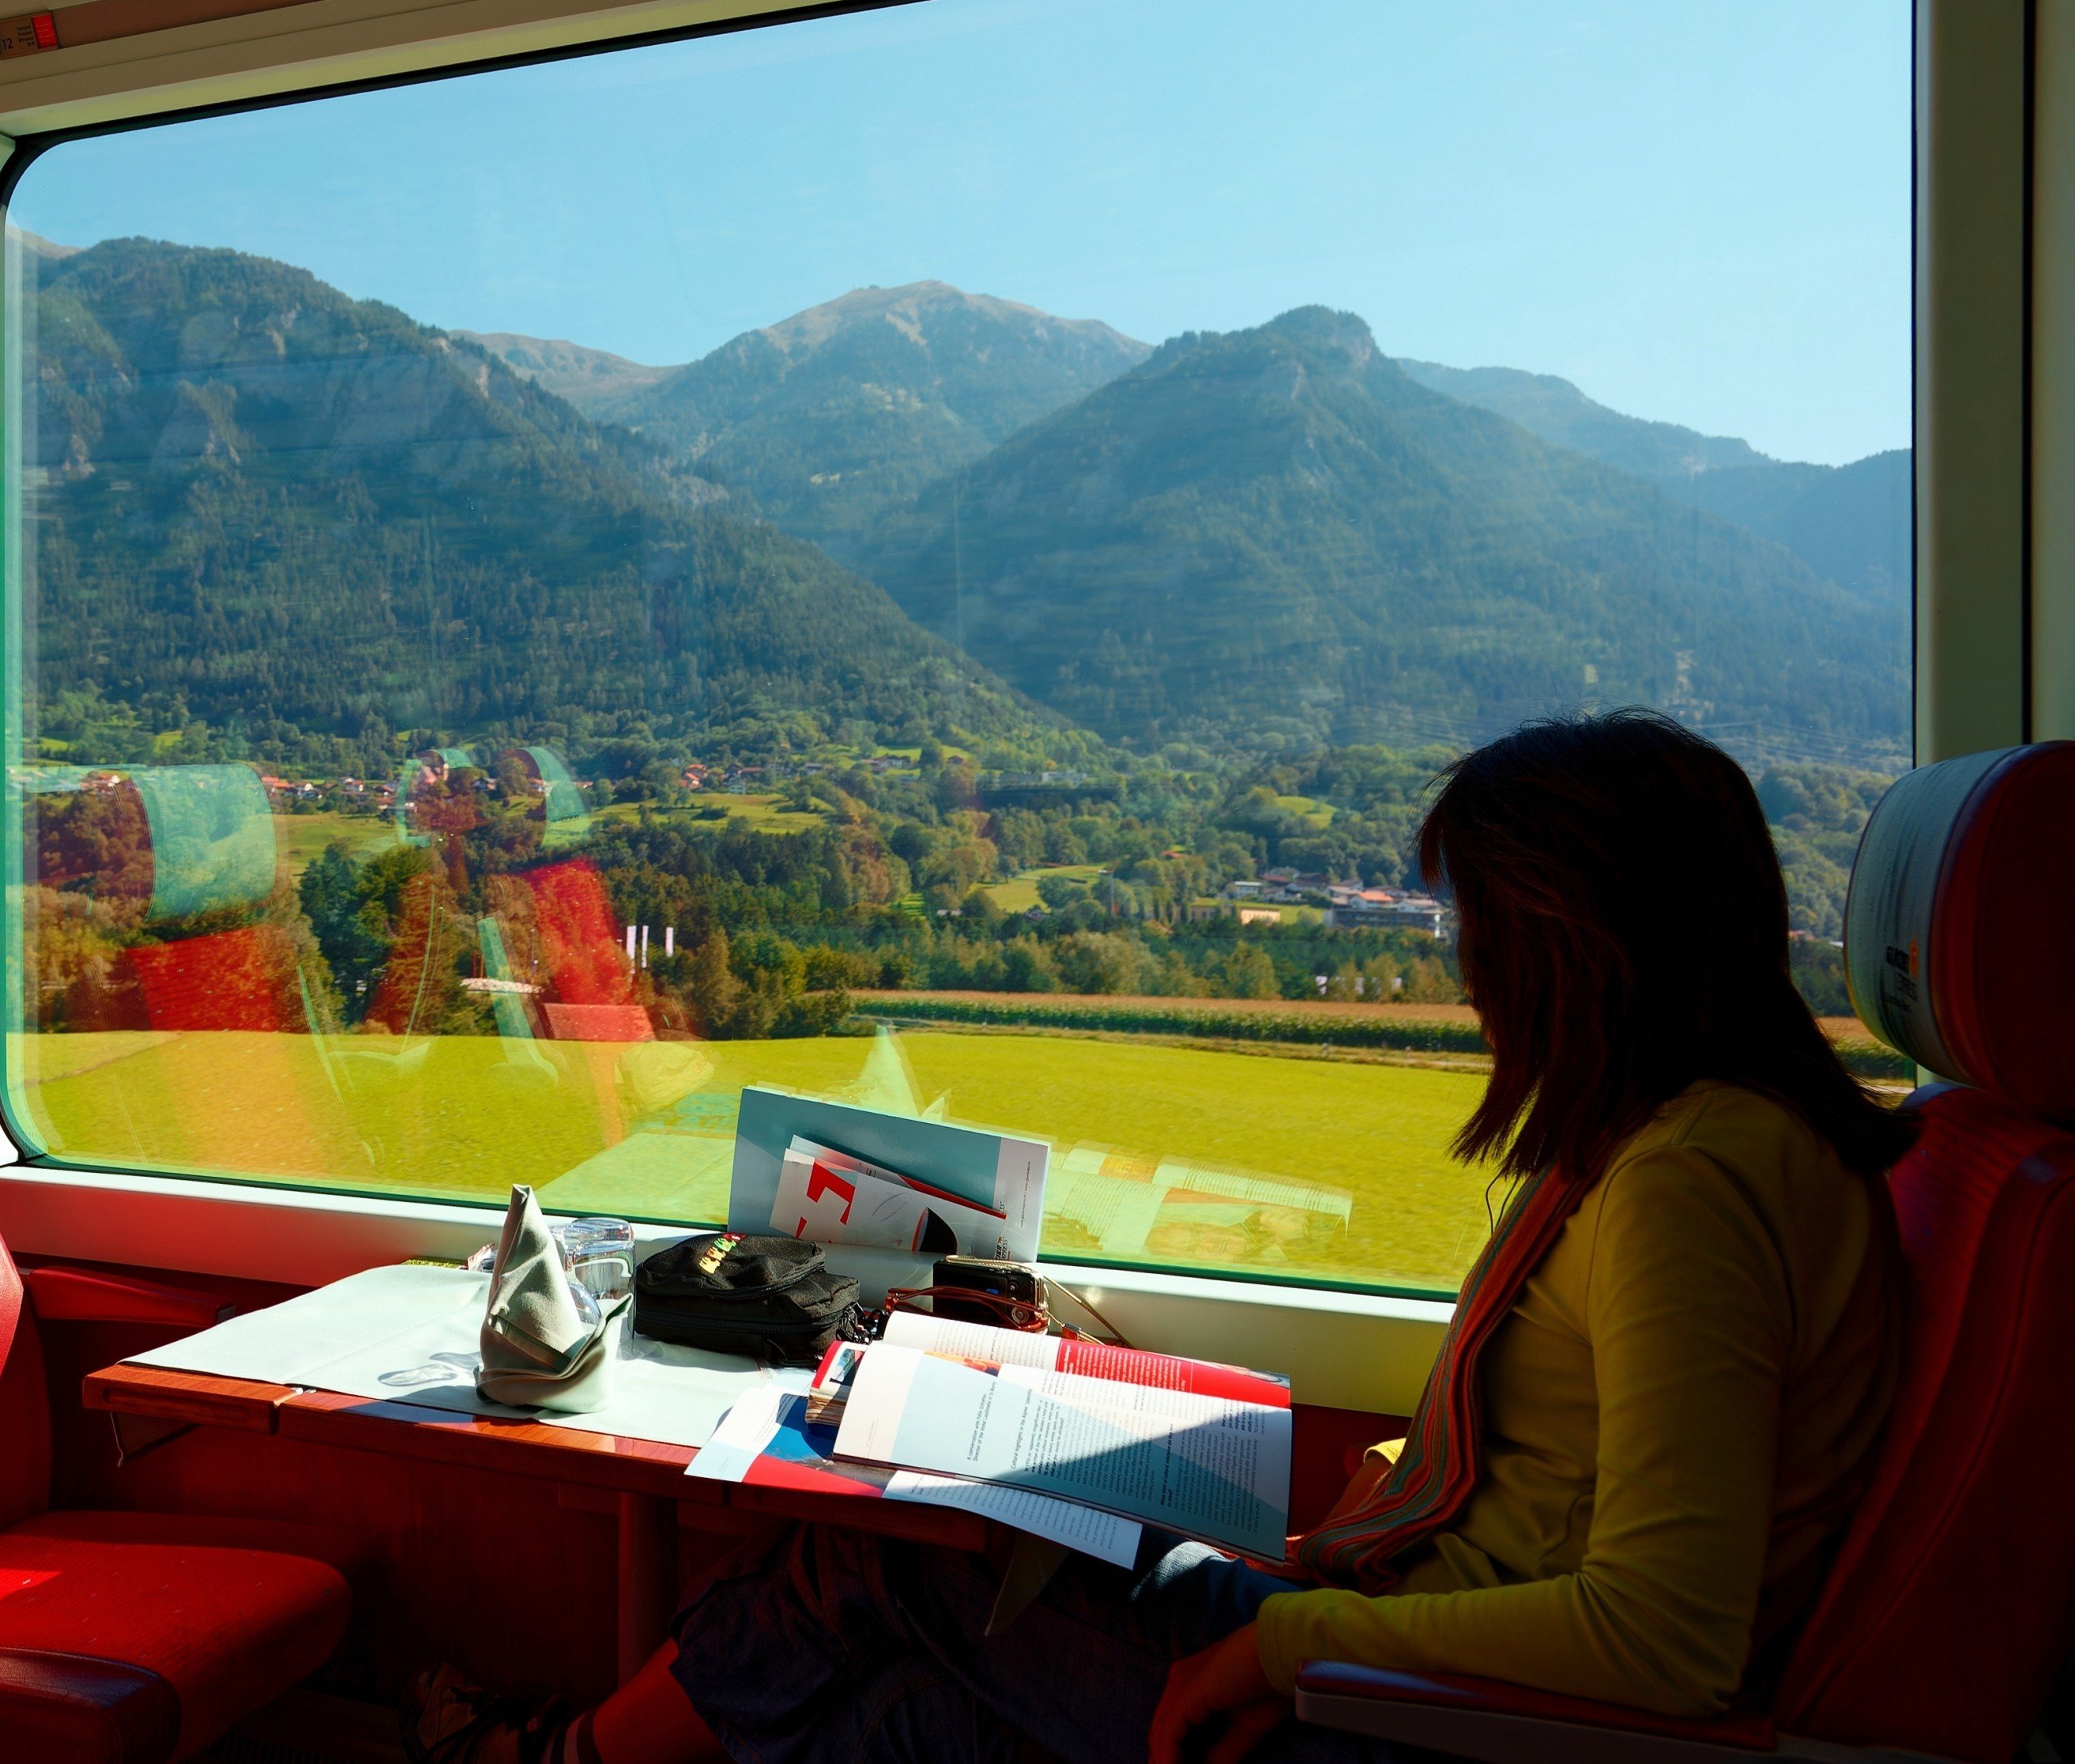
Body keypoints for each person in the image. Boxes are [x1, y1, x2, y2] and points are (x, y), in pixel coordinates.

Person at [409, 711, 1911, 1764]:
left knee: (899, 1555)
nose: (1462, 969)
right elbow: (1575, 1487)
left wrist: (1277, 1640)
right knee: (900, 1728)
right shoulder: (1699, 1145)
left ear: (1578, 942)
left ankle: (560, 1757)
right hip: (1394, 1642)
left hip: (1412, 1722)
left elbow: (1663, 1637)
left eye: (1479, 927)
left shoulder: (1689, 1187)